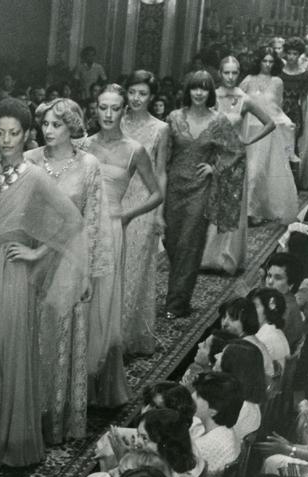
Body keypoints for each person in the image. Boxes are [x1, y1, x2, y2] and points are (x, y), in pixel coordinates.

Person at [0, 98, 86, 467]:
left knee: (6, 350)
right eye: (0, 133)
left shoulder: (35, 176)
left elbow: (71, 220)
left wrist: (37, 253)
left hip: (13, 272)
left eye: (14, 133)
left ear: (26, 134)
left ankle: (7, 443)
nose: (7, 140)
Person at [25, 98, 102, 443]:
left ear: (72, 125)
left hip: (70, 260)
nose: (49, 131)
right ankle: (25, 416)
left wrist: (88, 272)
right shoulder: (29, 161)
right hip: (31, 259)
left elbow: (94, 222)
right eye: (45, 124)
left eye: (57, 124)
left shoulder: (88, 165)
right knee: (28, 336)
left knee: (58, 336)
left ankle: (54, 418)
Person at [86, 85, 164, 407]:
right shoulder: (83, 145)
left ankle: (101, 383)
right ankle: (77, 380)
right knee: (82, 302)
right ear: (95, 109)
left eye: (114, 108)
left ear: (123, 111)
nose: (108, 114)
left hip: (113, 230)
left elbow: (156, 193)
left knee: (104, 306)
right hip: (83, 232)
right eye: (102, 107)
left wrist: (128, 215)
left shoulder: (135, 150)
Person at [166, 68, 242, 308]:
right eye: (194, 87)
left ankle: (177, 301)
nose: (199, 93)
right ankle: (178, 288)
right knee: (172, 241)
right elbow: (163, 155)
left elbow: (236, 152)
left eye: (204, 88)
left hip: (200, 188)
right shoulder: (174, 117)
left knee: (190, 242)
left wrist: (215, 169)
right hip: (173, 186)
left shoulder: (218, 120)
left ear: (210, 92)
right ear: (188, 90)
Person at [200, 60, 277, 280]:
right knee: (211, 203)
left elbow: (270, 123)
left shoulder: (245, 99)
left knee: (232, 205)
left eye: (235, 72)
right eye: (227, 72)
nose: (231, 77)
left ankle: (227, 257)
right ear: (220, 73)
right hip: (212, 155)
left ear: (239, 74)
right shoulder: (211, 96)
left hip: (234, 159)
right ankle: (206, 257)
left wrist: (248, 140)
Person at [119, 70, 170, 355]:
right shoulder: (116, 119)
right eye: (133, 92)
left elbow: (161, 173)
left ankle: (123, 341)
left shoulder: (160, 129)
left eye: (143, 94)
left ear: (152, 98)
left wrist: (158, 213)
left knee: (134, 273)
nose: (136, 98)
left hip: (144, 204)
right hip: (115, 200)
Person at [240, 48, 300, 226]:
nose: (267, 65)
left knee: (260, 172)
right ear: (258, 61)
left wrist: (285, 124)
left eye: (270, 62)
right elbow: (238, 105)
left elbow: (277, 107)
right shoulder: (248, 80)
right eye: (264, 61)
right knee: (249, 171)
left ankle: (255, 210)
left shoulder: (277, 82)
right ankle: (246, 211)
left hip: (267, 131)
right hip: (249, 130)